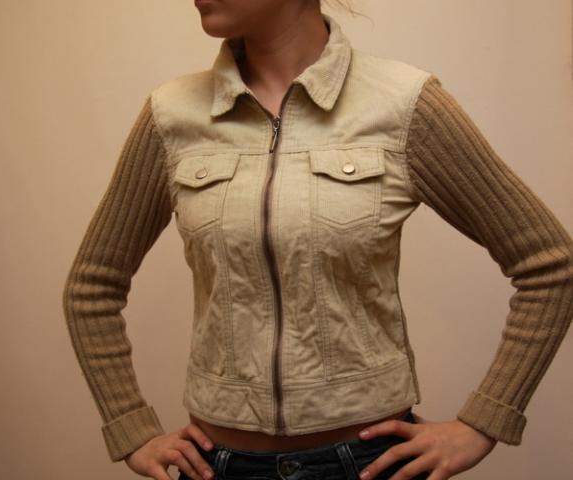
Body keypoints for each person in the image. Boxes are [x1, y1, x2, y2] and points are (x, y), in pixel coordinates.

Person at [62, 1, 573, 479]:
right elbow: (92, 287)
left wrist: (486, 420)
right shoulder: (173, 114)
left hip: (368, 464)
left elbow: (549, 264)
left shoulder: (402, 103)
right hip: (221, 467)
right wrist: (130, 427)